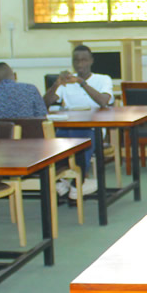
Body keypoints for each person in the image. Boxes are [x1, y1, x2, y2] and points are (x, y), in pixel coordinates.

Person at [42, 45, 114, 201]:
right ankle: (61, 179)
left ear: (91, 61)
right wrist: (56, 84)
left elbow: (103, 102)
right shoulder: (66, 82)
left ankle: (77, 181)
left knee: (82, 139)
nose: (80, 64)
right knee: (56, 139)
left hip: (93, 128)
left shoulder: (103, 79)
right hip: (68, 126)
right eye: (76, 61)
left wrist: (82, 83)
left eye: (84, 60)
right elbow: (44, 104)